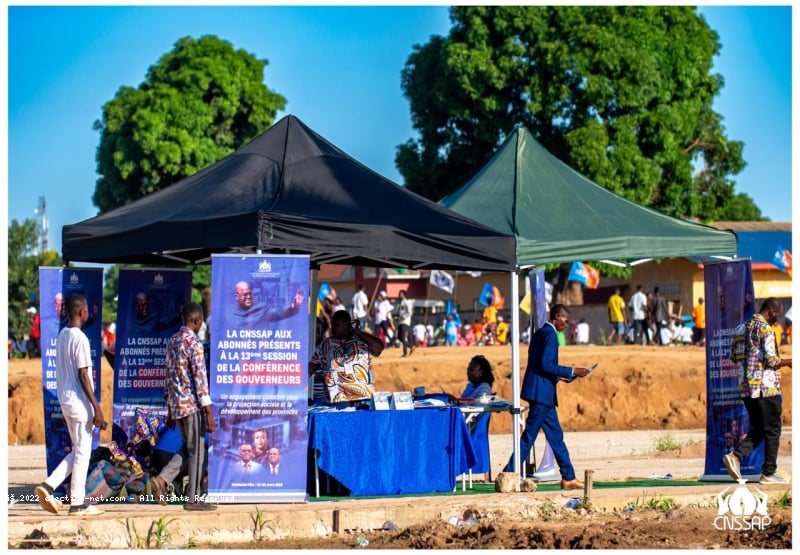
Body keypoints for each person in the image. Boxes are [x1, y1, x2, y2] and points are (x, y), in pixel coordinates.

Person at [503, 304, 592, 489]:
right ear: (557, 317)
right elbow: (546, 364)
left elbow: (540, 365)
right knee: (529, 436)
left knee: (555, 436)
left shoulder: (540, 332)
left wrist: (562, 376)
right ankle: (508, 473)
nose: (566, 325)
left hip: (541, 392)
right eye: (565, 321)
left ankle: (568, 476)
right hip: (542, 394)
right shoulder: (550, 335)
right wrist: (572, 370)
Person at [35, 294, 106, 516]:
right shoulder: (80, 338)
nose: (88, 312)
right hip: (79, 403)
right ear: (82, 312)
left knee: (79, 451)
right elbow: (84, 374)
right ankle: (77, 504)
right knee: (83, 454)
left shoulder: (62, 336)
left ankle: (49, 485)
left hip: (66, 400)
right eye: (87, 309)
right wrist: (97, 408)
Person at [723, 297, 792, 484]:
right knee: (773, 430)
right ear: (771, 311)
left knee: (760, 428)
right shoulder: (766, 330)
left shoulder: (740, 328)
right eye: (777, 315)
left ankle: (735, 457)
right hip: (765, 388)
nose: (777, 319)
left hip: (746, 388)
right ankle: (768, 473)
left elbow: (733, 356)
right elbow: (772, 360)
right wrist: (790, 362)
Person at [165, 302, 217, 511]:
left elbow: (169, 377)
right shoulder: (193, 343)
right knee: (197, 453)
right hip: (192, 406)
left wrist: (170, 408)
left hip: (178, 405)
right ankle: (192, 499)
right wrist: (209, 412)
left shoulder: (172, 341)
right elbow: (200, 380)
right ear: (197, 320)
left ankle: (162, 480)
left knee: (190, 449)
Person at [309, 309, 385, 406]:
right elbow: (311, 367)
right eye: (332, 325)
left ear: (346, 324)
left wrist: (358, 332)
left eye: (336, 325)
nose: (332, 328)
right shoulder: (326, 344)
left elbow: (378, 348)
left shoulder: (362, 341)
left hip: (363, 398)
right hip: (336, 400)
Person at [232, 281, 304, 329]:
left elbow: (279, 313)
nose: (248, 297)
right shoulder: (230, 314)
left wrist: (294, 306)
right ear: (236, 296)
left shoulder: (261, 309)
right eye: (245, 294)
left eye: (250, 293)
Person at [395, 289, 415, 357]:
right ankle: (411, 346)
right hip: (400, 322)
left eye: (400, 294)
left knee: (403, 337)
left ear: (404, 295)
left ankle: (405, 353)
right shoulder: (400, 303)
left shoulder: (407, 302)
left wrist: (403, 317)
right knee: (399, 337)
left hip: (405, 321)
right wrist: (398, 318)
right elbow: (401, 312)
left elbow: (410, 312)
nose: (399, 295)